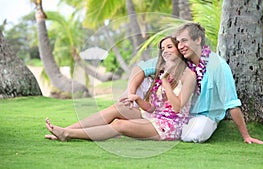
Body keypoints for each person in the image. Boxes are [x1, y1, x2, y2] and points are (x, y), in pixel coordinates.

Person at [123, 23, 263, 144]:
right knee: (144, 80)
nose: (180, 46)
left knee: (193, 135)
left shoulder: (217, 66)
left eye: (184, 41)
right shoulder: (181, 59)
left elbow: (232, 103)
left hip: (203, 115)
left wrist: (246, 136)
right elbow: (140, 68)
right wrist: (131, 93)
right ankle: (133, 114)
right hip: (178, 113)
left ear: (198, 40)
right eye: (178, 42)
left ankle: (160, 128)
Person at [45, 36, 196, 141]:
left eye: (170, 47)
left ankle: (68, 134)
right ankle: (64, 130)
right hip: (154, 118)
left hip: (170, 126)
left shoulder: (188, 75)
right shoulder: (164, 73)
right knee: (118, 108)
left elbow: (176, 108)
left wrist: (165, 82)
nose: (165, 51)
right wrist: (137, 98)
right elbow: (152, 109)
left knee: (119, 124)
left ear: (179, 50)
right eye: (163, 48)